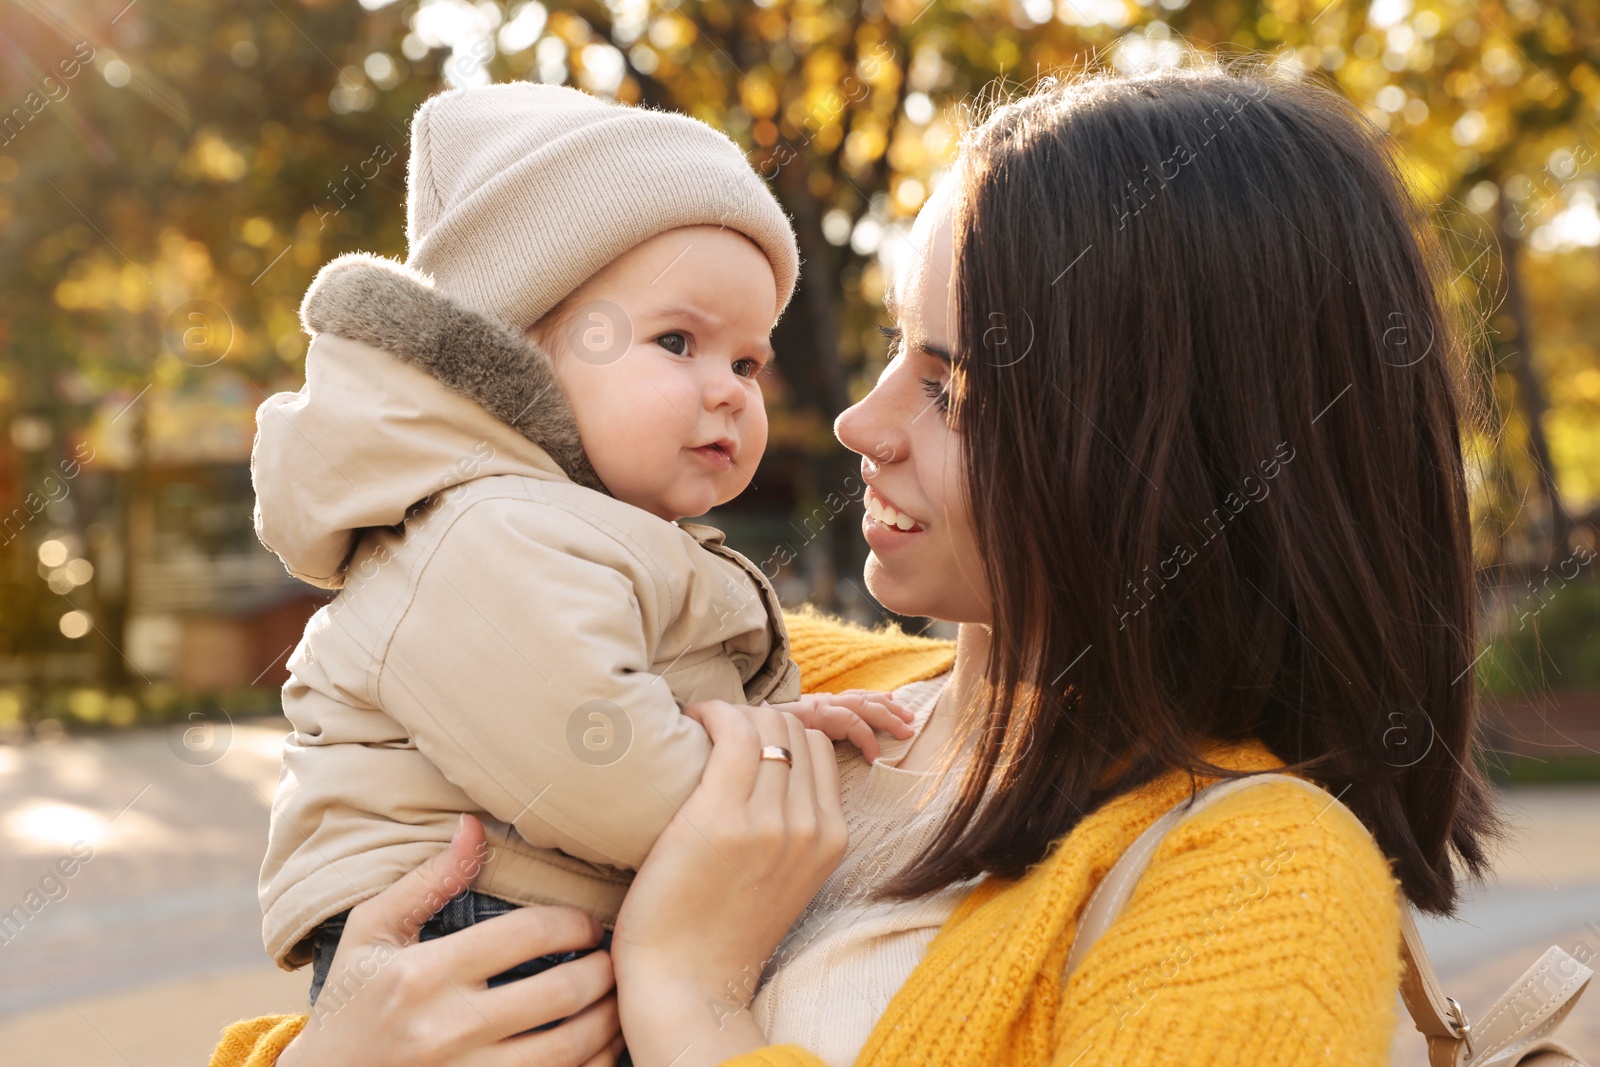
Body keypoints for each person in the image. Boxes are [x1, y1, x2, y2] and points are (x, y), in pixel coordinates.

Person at [214, 58, 1499, 1067]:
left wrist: (692, 993)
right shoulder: (791, 681)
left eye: (952, 388)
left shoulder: (1261, 882)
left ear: (1161, 444)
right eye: (892, 349)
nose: (855, 423)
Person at [250, 81, 913, 1014]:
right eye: (678, 340)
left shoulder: (581, 526)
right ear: (518, 356)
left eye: (748, 361)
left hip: (536, 910)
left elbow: (620, 703)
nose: (728, 390)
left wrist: (767, 731)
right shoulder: (478, 529)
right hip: (465, 925)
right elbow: (600, 766)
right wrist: (762, 788)